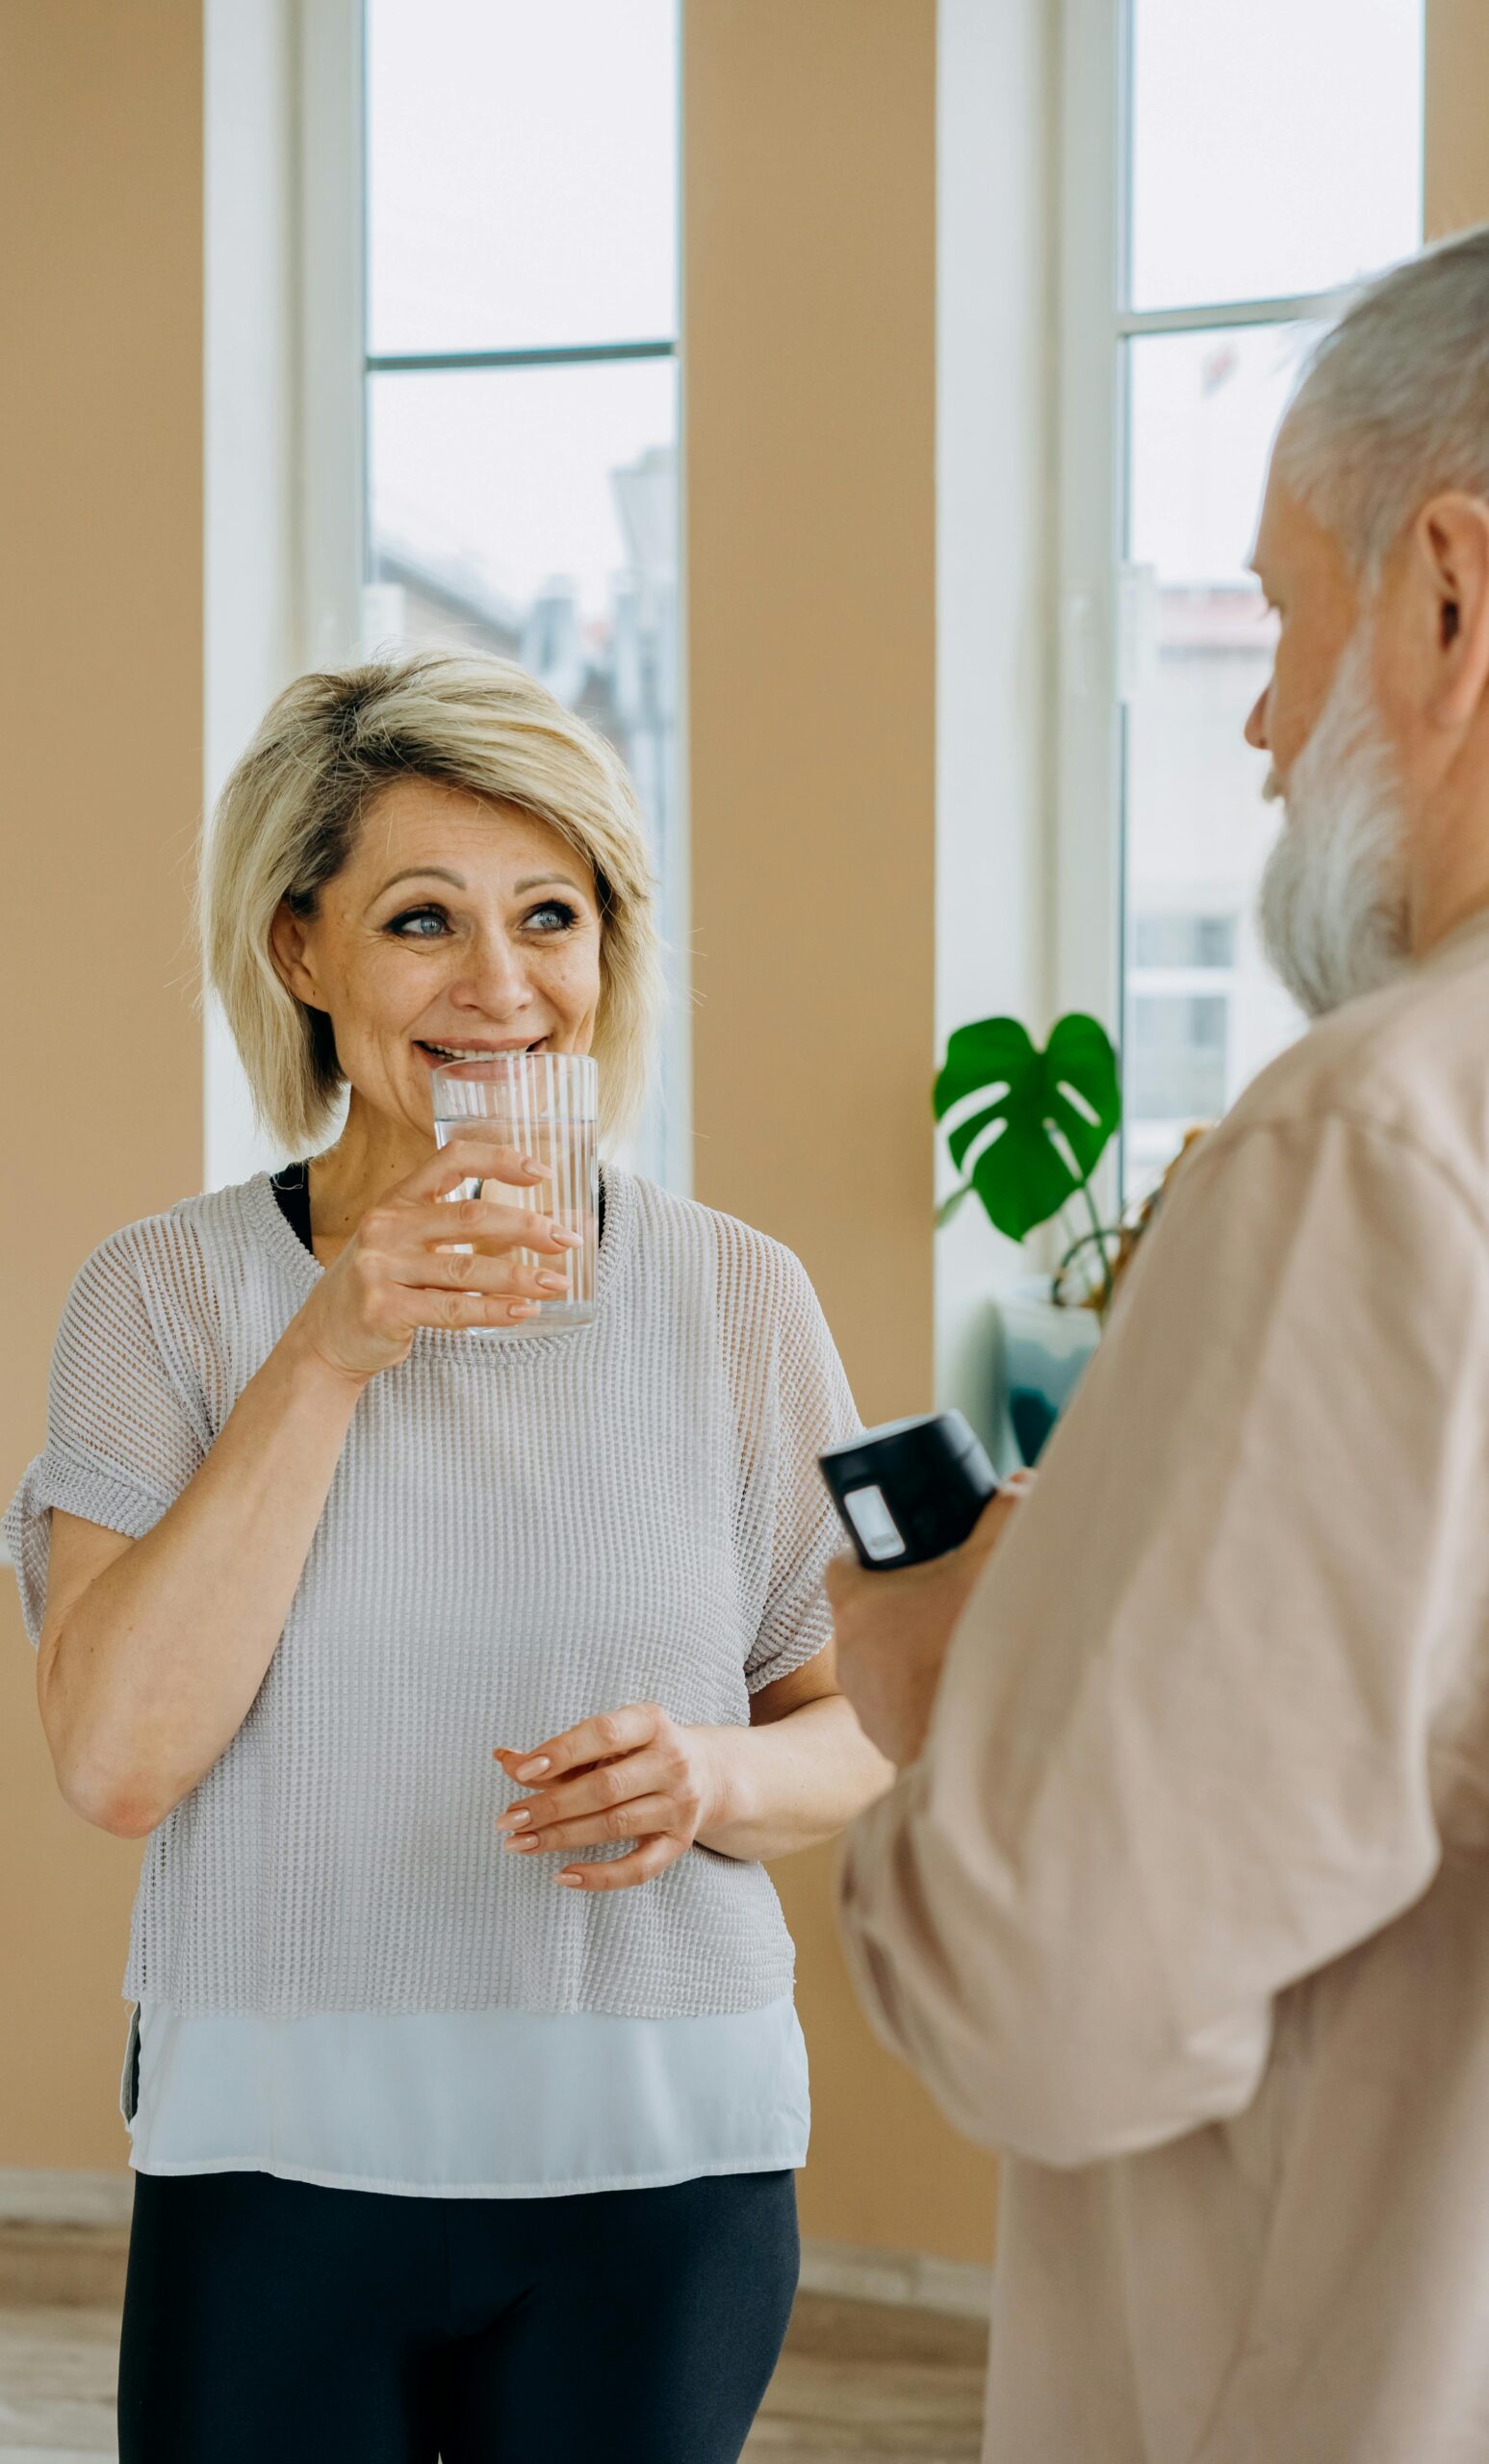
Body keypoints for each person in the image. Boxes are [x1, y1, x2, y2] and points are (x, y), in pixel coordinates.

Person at [5, 648, 890, 2464]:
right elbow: (114, 1759)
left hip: (664, 2156)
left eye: (551, 916)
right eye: (424, 920)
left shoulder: (738, 1294)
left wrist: (711, 1770)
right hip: (276, 2150)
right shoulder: (163, 1297)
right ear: (299, 953)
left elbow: (861, 1720)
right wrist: (329, 1346)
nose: (503, 990)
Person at [831, 224, 1489, 2464]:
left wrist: (944, 1680)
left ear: (1444, 601)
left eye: (1285, 622)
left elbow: (1057, 1993)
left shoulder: (1385, 1132)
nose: (1262, 716)